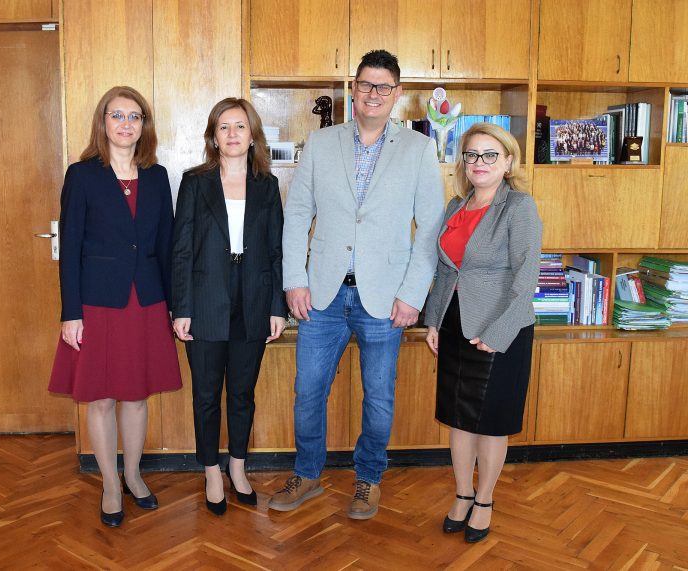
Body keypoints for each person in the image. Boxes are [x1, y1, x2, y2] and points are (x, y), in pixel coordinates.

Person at [270, 50, 444, 520]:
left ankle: (369, 479)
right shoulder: (321, 142)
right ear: (354, 89)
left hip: (386, 298)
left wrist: (413, 294)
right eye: (366, 84)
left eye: (384, 87)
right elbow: (297, 215)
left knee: (379, 397)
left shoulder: (418, 149)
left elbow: (430, 228)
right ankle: (307, 475)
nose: (374, 94)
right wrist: (294, 280)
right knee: (308, 392)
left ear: (397, 94)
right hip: (321, 294)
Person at [48, 86, 182, 528]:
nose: (126, 124)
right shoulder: (82, 175)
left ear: (144, 125)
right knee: (102, 397)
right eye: (117, 115)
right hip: (98, 303)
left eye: (134, 116)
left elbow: (167, 246)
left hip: (147, 301)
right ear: (103, 122)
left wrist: (173, 306)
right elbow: (70, 248)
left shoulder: (158, 176)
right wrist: (71, 313)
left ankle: (133, 475)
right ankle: (109, 483)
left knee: (137, 396)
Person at [424, 122, 542, 543]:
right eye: (472, 154)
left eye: (490, 155)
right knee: (459, 418)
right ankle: (462, 495)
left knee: (491, 423)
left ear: (507, 162)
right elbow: (445, 271)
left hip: (500, 329)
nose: (480, 162)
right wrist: (433, 321)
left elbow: (527, 278)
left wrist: (499, 332)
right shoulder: (456, 206)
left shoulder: (518, 207)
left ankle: (485, 501)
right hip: (455, 324)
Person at [171, 98, 286, 516]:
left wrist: (277, 306)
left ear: (252, 135)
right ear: (213, 137)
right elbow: (181, 250)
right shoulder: (195, 182)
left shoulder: (267, 185)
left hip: (253, 300)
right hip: (205, 301)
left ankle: (237, 466)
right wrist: (181, 308)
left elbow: (276, 249)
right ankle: (211, 472)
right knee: (206, 395)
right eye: (224, 127)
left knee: (241, 393)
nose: (232, 134)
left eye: (240, 126)